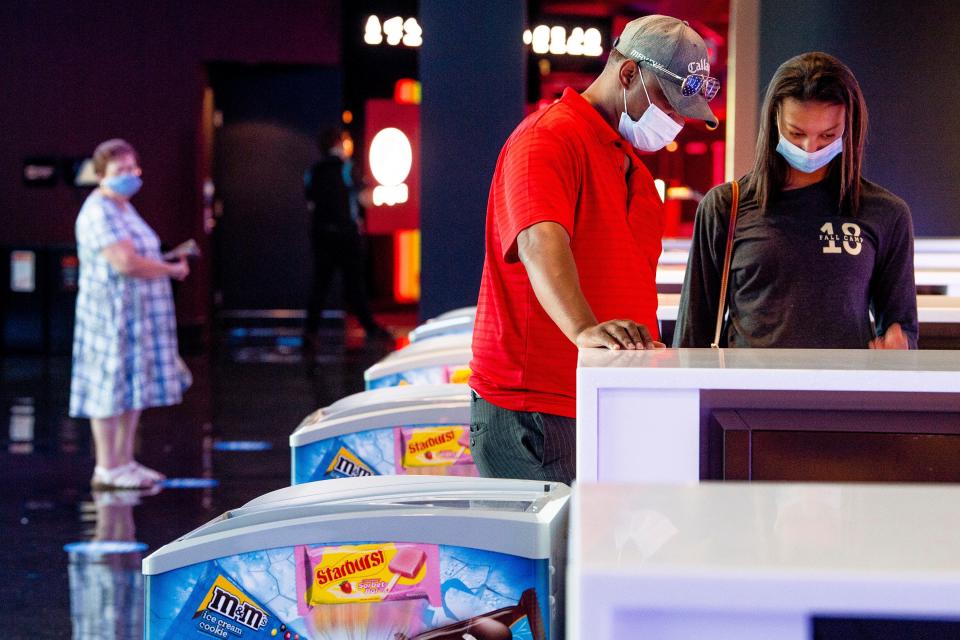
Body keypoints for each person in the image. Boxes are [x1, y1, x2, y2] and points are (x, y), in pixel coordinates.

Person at [468, 15, 720, 484]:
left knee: (605, 549)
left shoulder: (635, 171)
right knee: (563, 553)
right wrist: (584, 329)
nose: (678, 122)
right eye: (670, 103)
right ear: (628, 75)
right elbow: (539, 239)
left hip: (603, 395)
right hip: (538, 408)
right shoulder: (547, 138)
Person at [674, 52, 917, 349]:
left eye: (828, 135)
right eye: (796, 133)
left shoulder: (885, 213)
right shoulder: (726, 206)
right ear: (775, 119)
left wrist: (898, 346)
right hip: (745, 391)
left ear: (849, 127)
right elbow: (692, 334)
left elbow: (901, 325)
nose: (810, 147)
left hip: (843, 390)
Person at [70, 138, 192, 489]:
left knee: (130, 389)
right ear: (101, 174)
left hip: (137, 317)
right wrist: (168, 270)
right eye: (119, 170)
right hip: (110, 318)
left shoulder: (123, 207)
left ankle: (125, 461)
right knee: (108, 390)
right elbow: (124, 262)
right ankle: (107, 467)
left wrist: (164, 262)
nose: (129, 176)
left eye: (132, 168)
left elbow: (141, 254)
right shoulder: (98, 210)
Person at [303, 127, 390, 350]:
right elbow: (365, 199)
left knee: (319, 286)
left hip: (322, 235)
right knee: (355, 285)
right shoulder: (348, 168)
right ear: (340, 143)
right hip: (347, 237)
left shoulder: (312, 172)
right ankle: (370, 329)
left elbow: (310, 204)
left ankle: (310, 333)